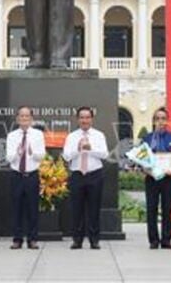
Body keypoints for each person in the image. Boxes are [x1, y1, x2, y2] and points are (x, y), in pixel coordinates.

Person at [63, 106, 109, 249]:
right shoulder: (72, 136)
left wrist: (90, 149)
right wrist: (77, 149)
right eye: (82, 117)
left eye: (87, 117)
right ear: (78, 119)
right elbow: (66, 156)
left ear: (92, 119)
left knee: (94, 209)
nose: (84, 120)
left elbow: (105, 154)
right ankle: (77, 240)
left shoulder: (99, 135)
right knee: (76, 209)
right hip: (77, 174)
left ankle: (94, 240)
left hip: (95, 174)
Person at [6, 105, 46, 249]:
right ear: (17, 119)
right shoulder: (12, 136)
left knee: (32, 208)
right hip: (16, 175)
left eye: (27, 116)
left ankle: (32, 239)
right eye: (21, 116)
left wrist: (31, 151)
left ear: (31, 119)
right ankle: (17, 239)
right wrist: (18, 152)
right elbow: (9, 158)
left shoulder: (38, 135)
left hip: (32, 175)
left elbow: (41, 156)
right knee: (16, 208)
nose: (24, 119)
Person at [139, 107, 171, 249]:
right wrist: (146, 169)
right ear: (154, 121)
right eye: (158, 119)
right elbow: (140, 159)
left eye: (163, 118)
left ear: (167, 121)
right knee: (152, 209)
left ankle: (166, 240)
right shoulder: (147, 139)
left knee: (167, 209)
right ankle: (153, 240)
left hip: (168, 179)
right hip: (152, 179)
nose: (161, 121)